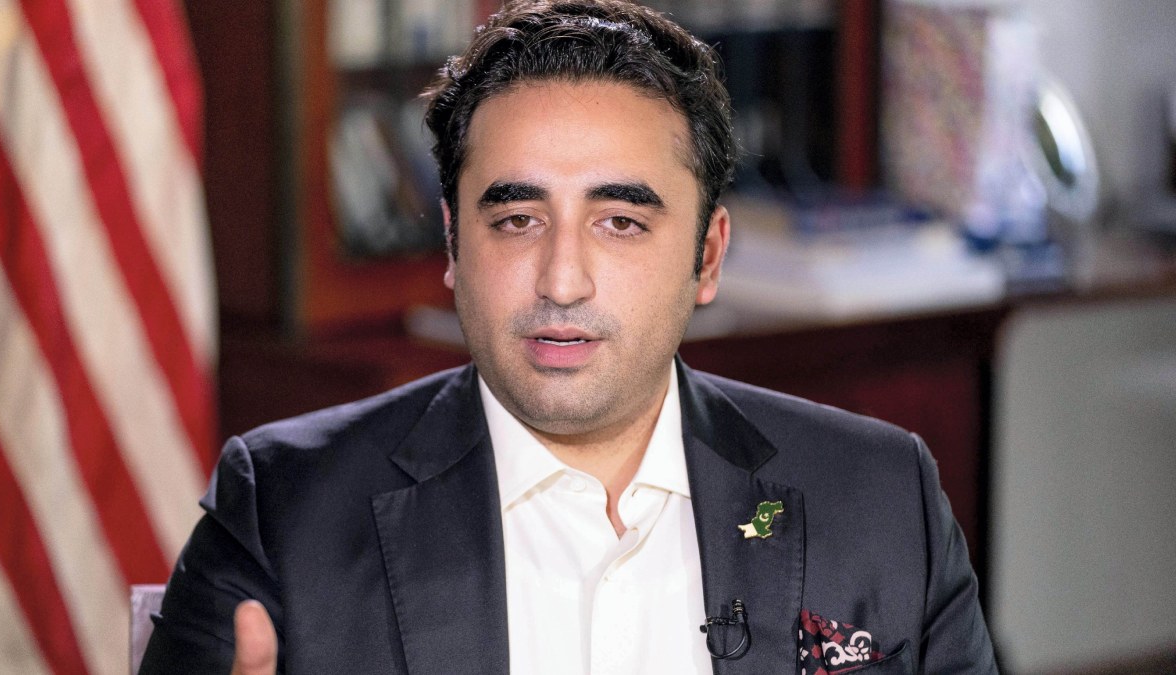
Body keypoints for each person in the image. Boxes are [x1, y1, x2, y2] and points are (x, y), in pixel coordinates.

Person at [141, 1, 997, 673]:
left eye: (620, 222)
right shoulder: (281, 512)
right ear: (453, 246)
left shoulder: (882, 497)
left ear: (707, 256)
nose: (561, 280)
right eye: (516, 220)